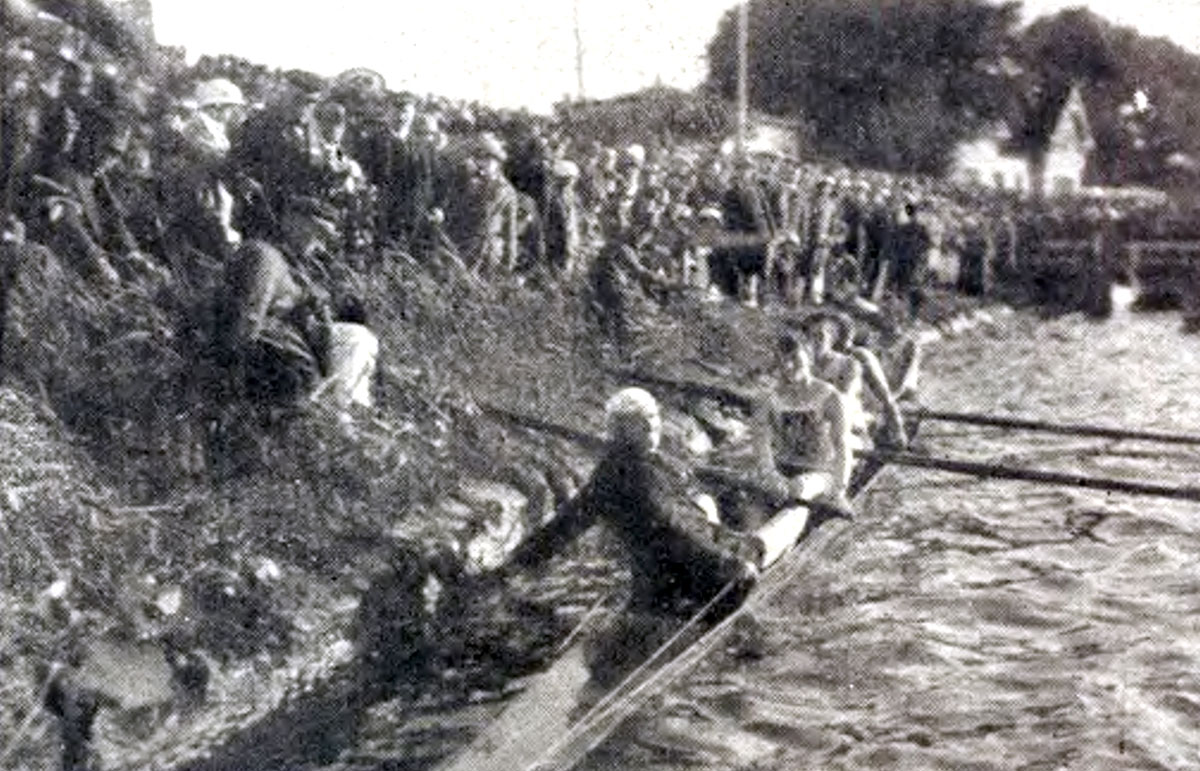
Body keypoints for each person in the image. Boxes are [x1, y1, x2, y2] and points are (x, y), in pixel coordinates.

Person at [508, 388, 756, 691]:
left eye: (653, 416)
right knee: (743, 564)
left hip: (650, 592)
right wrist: (731, 564)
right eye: (640, 421)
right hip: (689, 587)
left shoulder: (608, 473)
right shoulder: (643, 476)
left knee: (705, 507)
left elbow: (566, 525)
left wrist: (518, 562)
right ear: (621, 430)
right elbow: (676, 534)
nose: (653, 424)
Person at [752, 331, 853, 509]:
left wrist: (839, 491)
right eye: (781, 361)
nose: (788, 366)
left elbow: (842, 446)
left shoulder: (831, 397)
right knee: (751, 494)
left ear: (808, 355)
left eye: (794, 358)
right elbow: (761, 444)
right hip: (782, 469)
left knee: (798, 488)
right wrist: (770, 474)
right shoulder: (768, 399)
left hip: (821, 473)